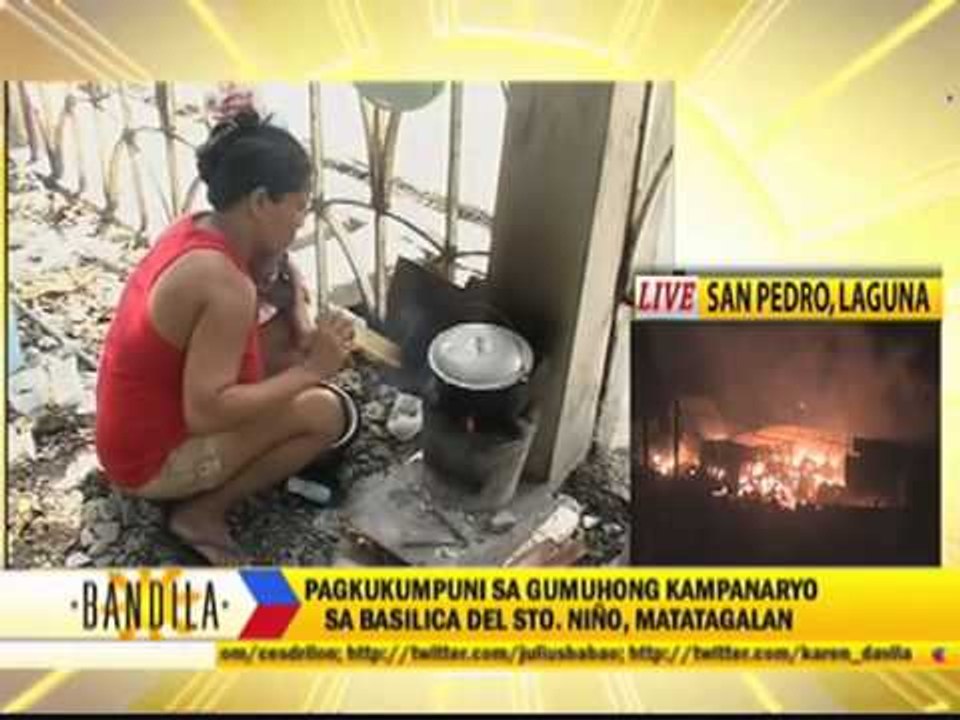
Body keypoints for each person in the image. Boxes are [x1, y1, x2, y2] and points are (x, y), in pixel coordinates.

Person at [95, 110, 355, 565]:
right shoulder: (224, 285)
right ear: (259, 202)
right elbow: (205, 412)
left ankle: (205, 489)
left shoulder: (199, 226)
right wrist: (312, 370)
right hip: (147, 461)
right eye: (298, 206)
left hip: (125, 431)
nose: (300, 222)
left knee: (288, 345)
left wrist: (300, 314)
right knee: (327, 413)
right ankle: (201, 514)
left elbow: (279, 271)